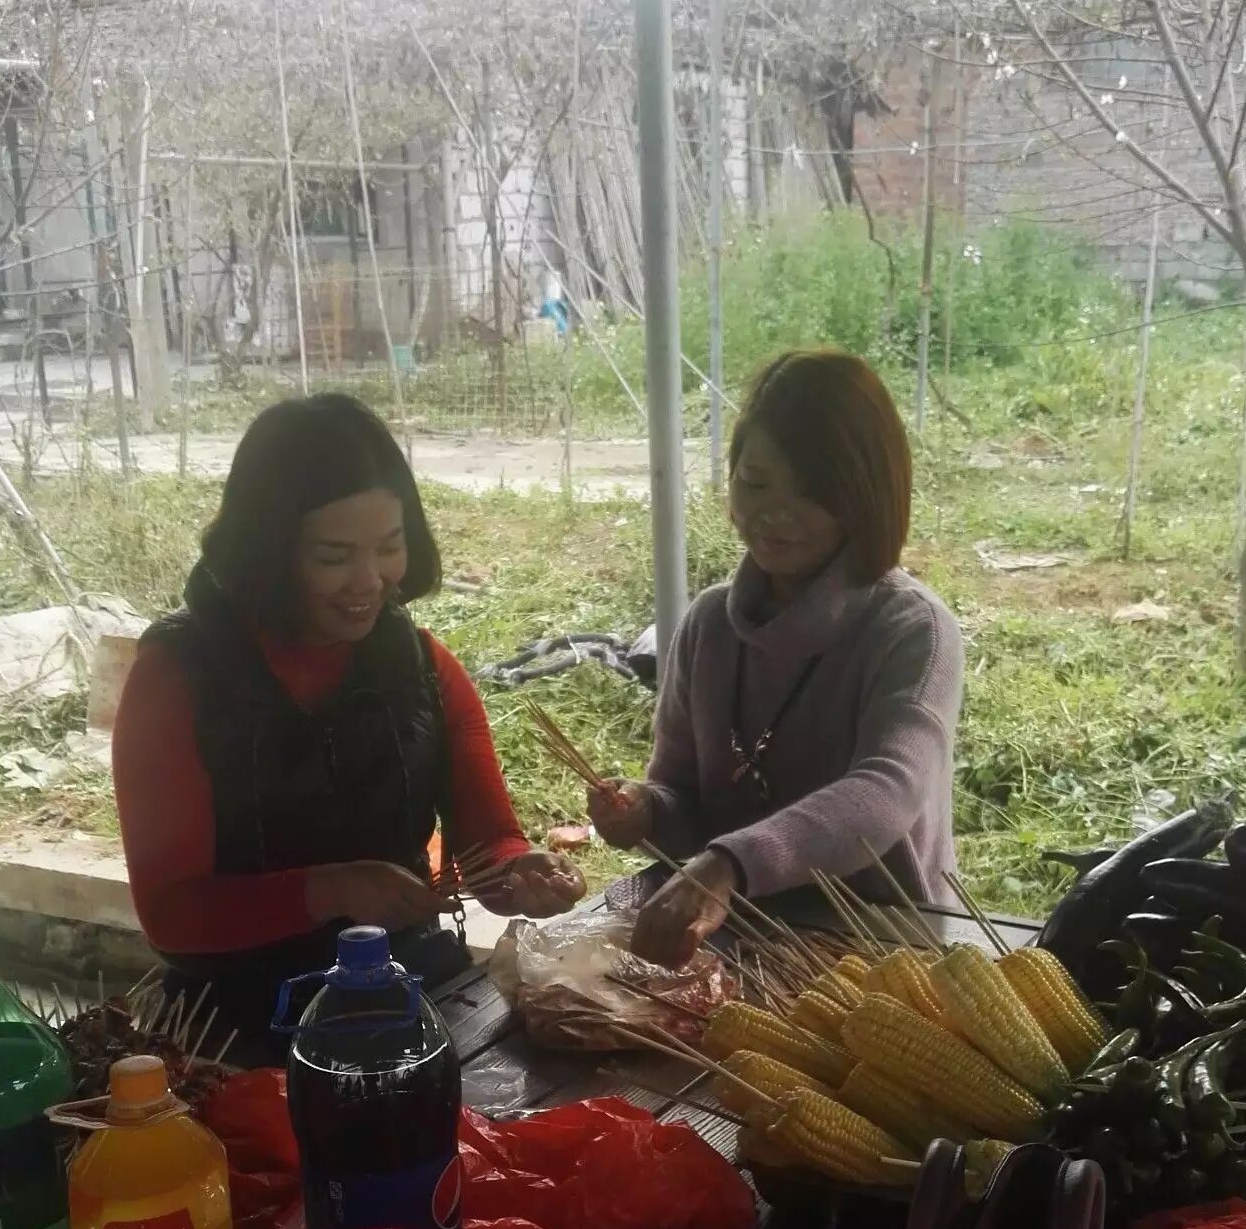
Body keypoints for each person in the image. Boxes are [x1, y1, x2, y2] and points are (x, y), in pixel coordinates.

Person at [113, 393, 583, 1049]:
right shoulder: (177, 677)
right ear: (268, 553)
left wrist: (521, 872)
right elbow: (171, 913)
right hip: (233, 1020)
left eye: (389, 547)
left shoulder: (423, 666)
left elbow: (489, 843)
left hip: (404, 993)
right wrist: (329, 890)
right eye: (333, 557)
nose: (369, 580)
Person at [589, 348, 963, 968]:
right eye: (755, 483)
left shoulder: (912, 631)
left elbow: (886, 792)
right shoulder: (709, 626)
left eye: (811, 492)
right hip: (729, 942)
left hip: (880, 951)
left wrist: (730, 864)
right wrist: (646, 811)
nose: (775, 514)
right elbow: (680, 795)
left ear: (865, 495)